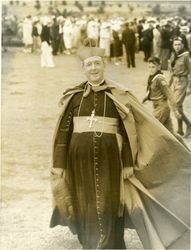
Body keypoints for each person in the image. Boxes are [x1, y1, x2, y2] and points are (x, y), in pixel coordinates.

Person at [50, 39, 190, 249]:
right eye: (89, 64)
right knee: (83, 200)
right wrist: (59, 164)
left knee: (109, 201)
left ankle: (110, 244)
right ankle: (89, 242)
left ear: (104, 66)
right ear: (84, 69)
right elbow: (63, 132)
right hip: (78, 161)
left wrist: (126, 163)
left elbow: (128, 131)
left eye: (97, 63)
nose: (94, 68)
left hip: (111, 161)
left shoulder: (119, 95)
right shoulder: (74, 98)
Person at [169, 36, 191, 137]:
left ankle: (189, 124)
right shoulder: (174, 54)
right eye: (175, 45)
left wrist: (190, 87)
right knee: (179, 106)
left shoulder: (186, 56)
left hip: (183, 81)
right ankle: (180, 129)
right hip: (175, 81)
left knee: (176, 105)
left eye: (178, 44)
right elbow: (171, 71)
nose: (177, 46)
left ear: (182, 45)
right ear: (173, 46)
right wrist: (168, 85)